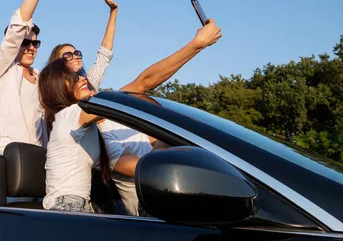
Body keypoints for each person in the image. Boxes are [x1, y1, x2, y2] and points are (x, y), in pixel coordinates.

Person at [38, 21, 223, 213]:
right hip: (67, 206)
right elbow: (117, 102)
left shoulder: (89, 129)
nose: (83, 78)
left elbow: (142, 84)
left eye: (81, 74)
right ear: (60, 86)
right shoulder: (69, 116)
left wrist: (197, 44)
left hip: (81, 206)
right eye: (75, 77)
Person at [0, 0, 65, 160]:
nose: (31, 47)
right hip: (7, 157)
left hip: (39, 160)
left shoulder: (42, 79)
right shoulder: (1, 70)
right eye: (25, 42)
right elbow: (18, 26)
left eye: (35, 43)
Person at [47, 0, 118, 91]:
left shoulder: (88, 84)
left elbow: (104, 54)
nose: (75, 57)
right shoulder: (53, 92)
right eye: (67, 55)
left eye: (76, 53)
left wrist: (113, 11)